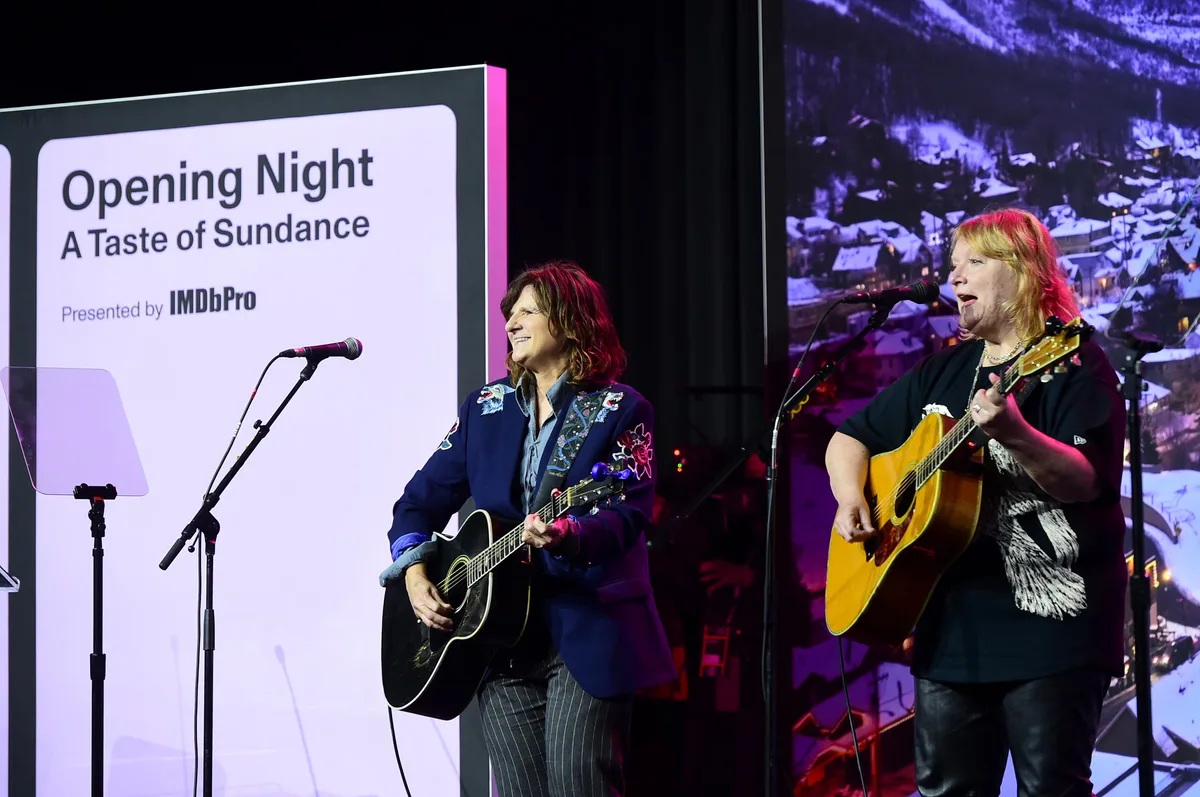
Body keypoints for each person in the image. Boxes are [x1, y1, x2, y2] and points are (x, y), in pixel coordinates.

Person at [824, 207, 1127, 796]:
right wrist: (849, 498)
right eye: (954, 264)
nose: (954, 277)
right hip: (951, 634)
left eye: (975, 262)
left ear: (1023, 271)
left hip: (1053, 630)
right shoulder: (943, 371)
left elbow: (1086, 481)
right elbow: (849, 439)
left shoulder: (1073, 365)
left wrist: (1015, 433)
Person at [379, 260, 676, 797]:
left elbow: (628, 512)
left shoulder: (620, 408)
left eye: (528, 312)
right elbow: (417, 503)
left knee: (579, 785)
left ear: (570, 321)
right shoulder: (485, 407)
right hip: (497, 641)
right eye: (509, 314)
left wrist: (570, 535)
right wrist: (415, 573)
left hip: (585, 627)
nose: (511, 323)